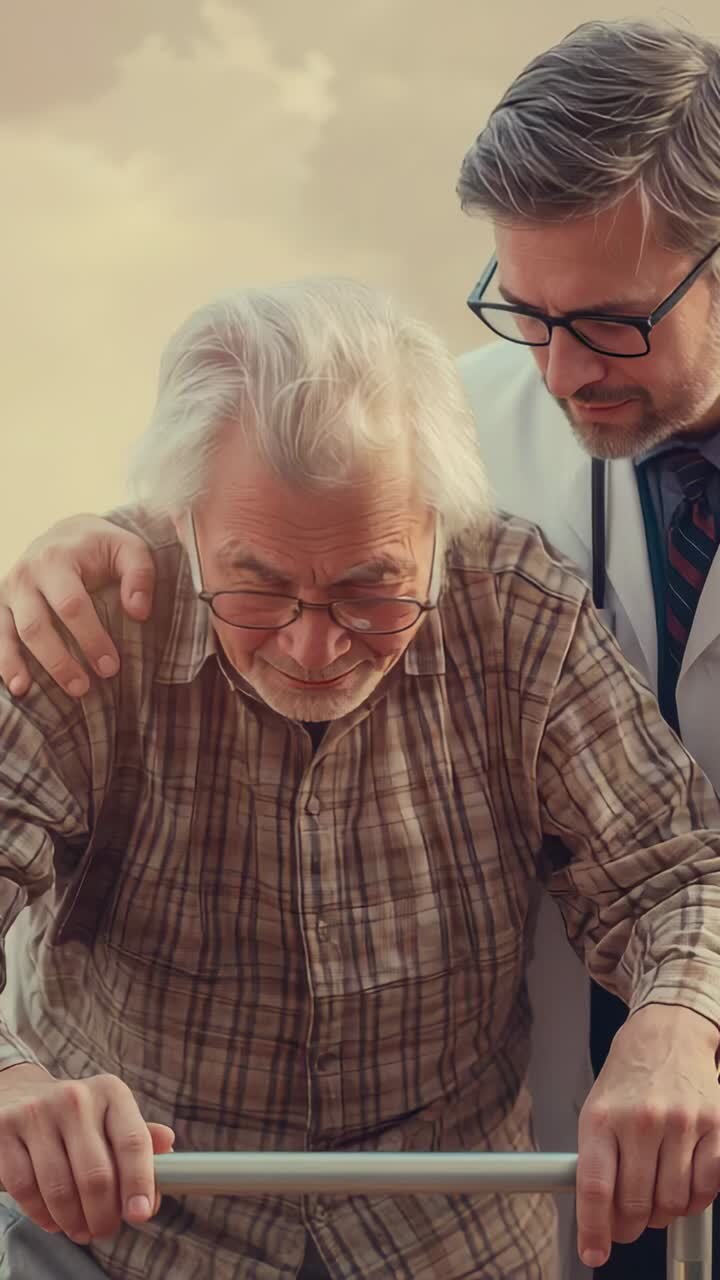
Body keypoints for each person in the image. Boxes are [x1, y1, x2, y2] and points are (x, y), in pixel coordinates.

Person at [2, 275, 720, 1280]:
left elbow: (677, 871)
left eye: (369, 589)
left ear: (441, 526)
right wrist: (12, 1084)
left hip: (449, 1237)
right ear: (183, 520)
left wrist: (674, 1027)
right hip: (124, 1234)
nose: (314, 645)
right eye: (257, 587)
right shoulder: (91, 614)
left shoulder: (515, 601)